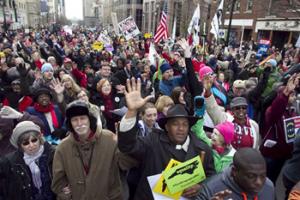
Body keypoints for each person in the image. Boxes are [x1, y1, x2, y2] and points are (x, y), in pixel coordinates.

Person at [118, 78, 215, 200]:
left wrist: (201, 187)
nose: (181, 128)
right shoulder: (152, 142)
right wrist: (132, 112)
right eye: (175, 124)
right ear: (167, 127)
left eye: (185, 124)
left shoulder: (202, 149)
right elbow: (127, 146)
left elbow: (212, 178)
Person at [51, 100, 136, 200]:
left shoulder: (109, 138)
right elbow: (58, 183)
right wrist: (66, 194)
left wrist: (123, 143)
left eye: (83, 118)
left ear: (90, 119)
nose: (79, 123)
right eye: (75, 120)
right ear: (70, 123)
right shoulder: (63, 147)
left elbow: (126, 164)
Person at [0, 121, 55, 200]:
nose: (31, 145)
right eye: (26, 143)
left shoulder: (53, 153)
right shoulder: (8, 162)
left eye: (34, 140)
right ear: (20, 146)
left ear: (39, 139)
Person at [195, 148, 275, 200]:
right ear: (234, 172)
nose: (259, 182)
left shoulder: (269, 187)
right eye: (251, 176)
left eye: (263, 176)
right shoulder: (210, 189)